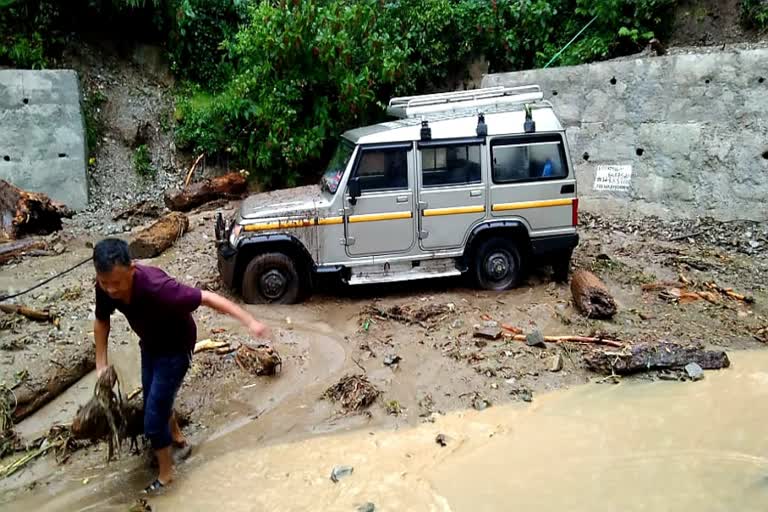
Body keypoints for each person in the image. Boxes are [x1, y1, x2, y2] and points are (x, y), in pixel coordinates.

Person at [92, 238, 270, 493]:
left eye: (116, 283)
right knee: (155, 397)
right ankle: (177, 438)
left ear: (132, 269)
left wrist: (250, 322)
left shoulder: (158, 288)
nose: (110, 290)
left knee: (152, 421)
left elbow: (207, 297)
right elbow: (101, 321)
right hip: (150, 343)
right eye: (104, 283)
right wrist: (101, 364)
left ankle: (166, 475)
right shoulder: (105, 285)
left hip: (176, 348)